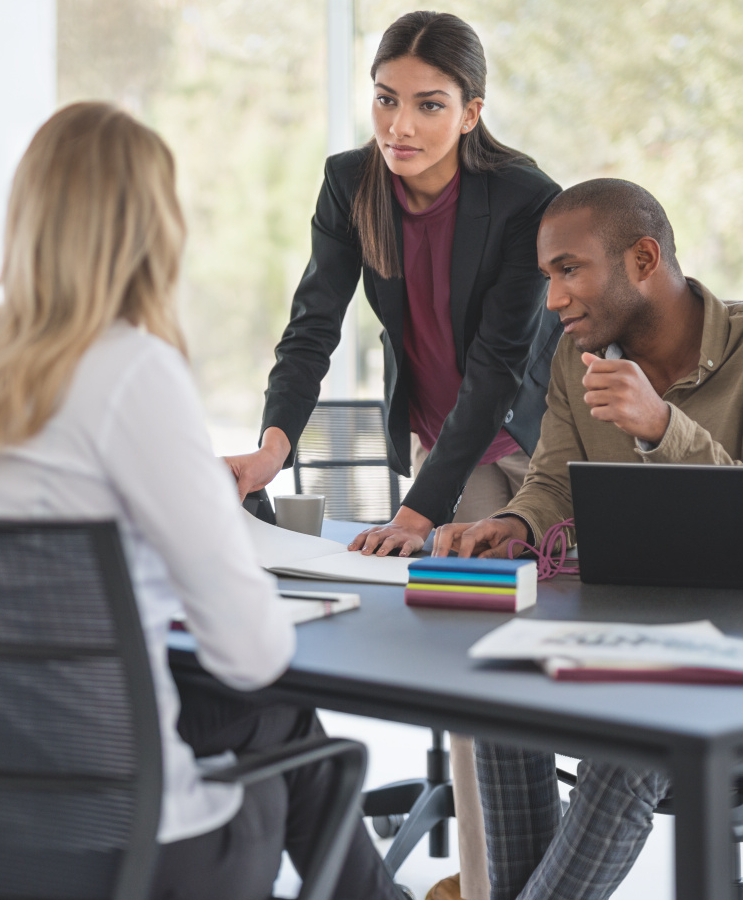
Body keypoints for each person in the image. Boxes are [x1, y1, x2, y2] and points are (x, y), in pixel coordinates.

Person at [0, 102, 400, 900]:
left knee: (265, 720)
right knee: (290, 726)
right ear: (150, 227)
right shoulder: (133, 371)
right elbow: (251, 654)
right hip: (133, 847)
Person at [435, 178, 743, 900]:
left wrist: (663, 426)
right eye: (548, 277)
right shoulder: (580, 357)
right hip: (641, 627)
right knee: (494, 698)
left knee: (634, 734)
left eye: (570, 271)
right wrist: (515, 523)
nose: (554, 300)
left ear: (642, 258)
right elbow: (555, 482)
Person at [223, 13, 560, 899]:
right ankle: (487, 879)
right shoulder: (351, 185)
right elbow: (311, 331)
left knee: (521, 649)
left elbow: (495, 371)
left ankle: (514, 868)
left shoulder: (526, 199)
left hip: (540, 433)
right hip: (445, 434)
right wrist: (270, 450)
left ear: (471, 112)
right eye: (384, 100)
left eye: (427, 105)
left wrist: (418, 508)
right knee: (474, 646)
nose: (399, 126)